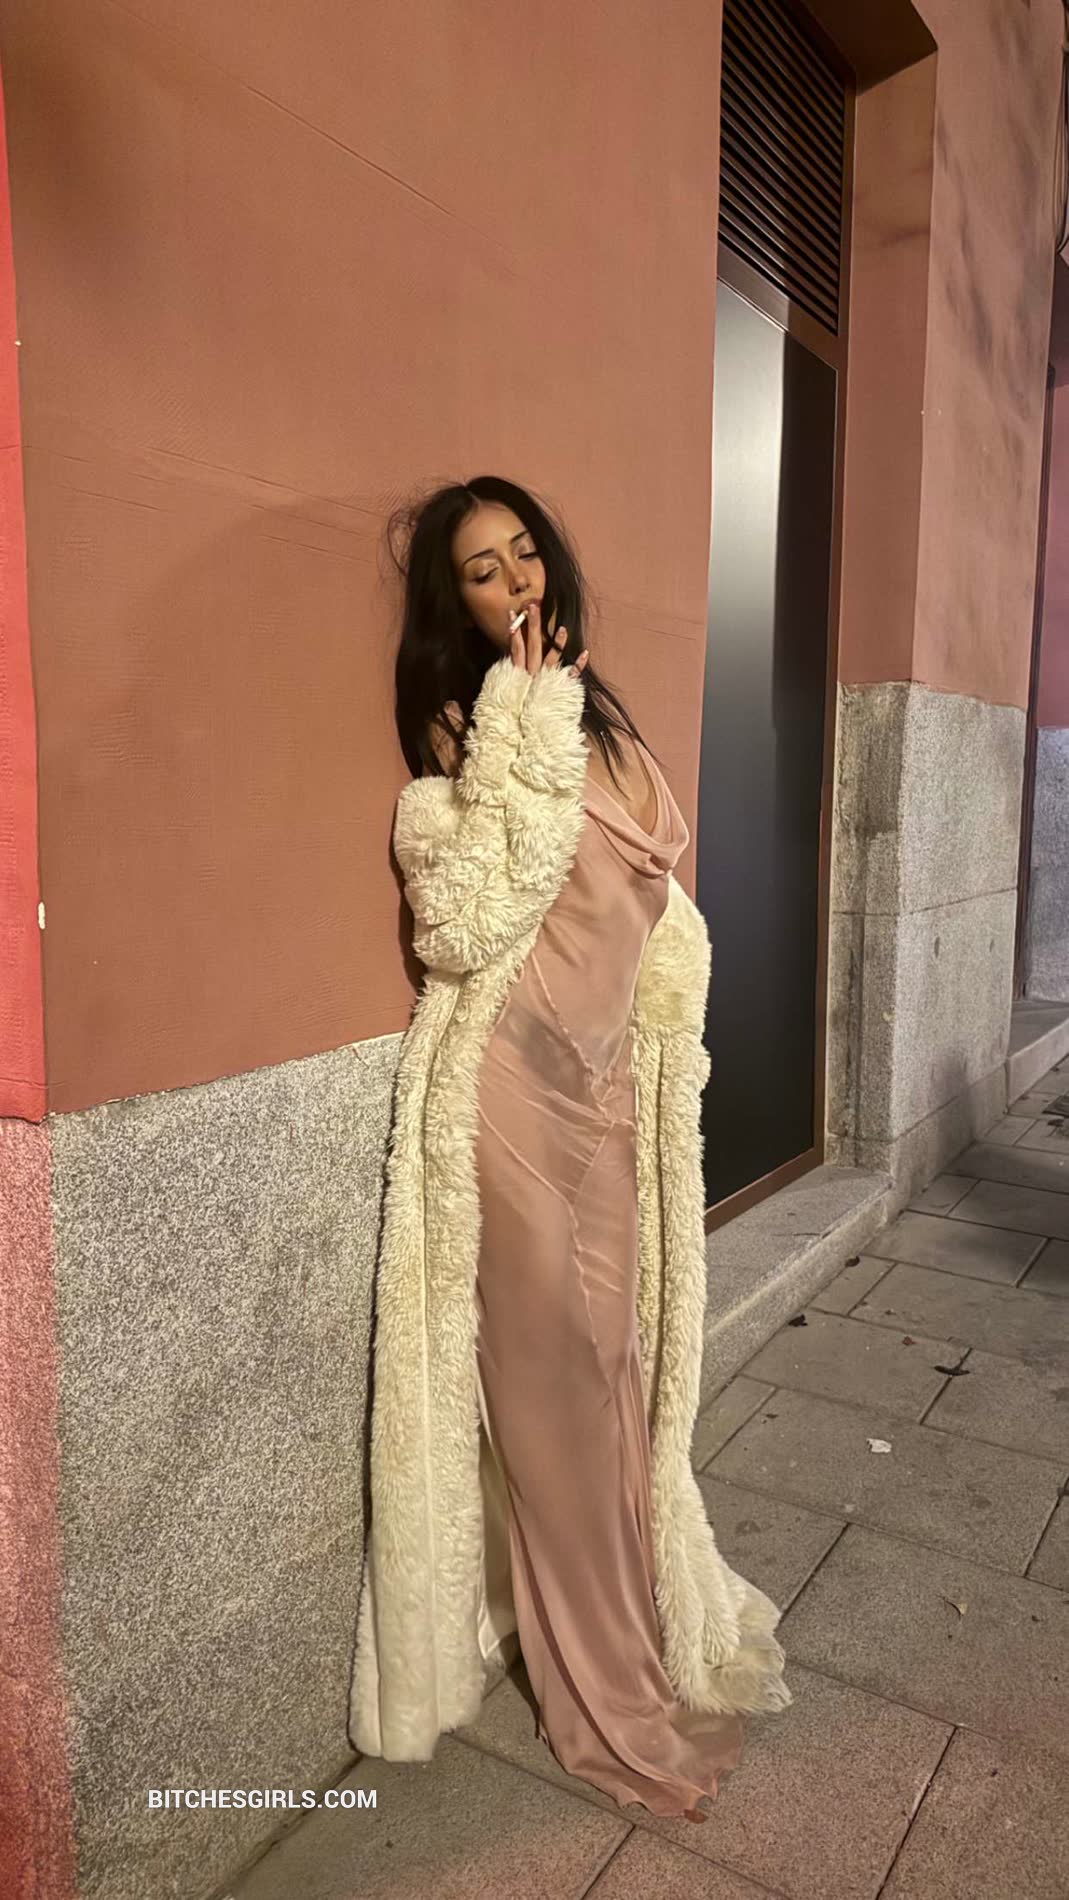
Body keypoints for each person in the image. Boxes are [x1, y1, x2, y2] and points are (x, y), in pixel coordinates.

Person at [350, 474, 791, 1820]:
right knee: (553, 1405)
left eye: (523, 554)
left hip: (607, 1092)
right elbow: (474, 914)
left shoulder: (591, 703)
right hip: (513, 1096)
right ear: (454, 600)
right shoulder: (462, 721)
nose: (513, 583)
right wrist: (527, 718)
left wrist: (561, 708)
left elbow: (648, 876)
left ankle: (637, 1635)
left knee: (613, 1376)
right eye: (481, 570)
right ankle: (608, 1706)